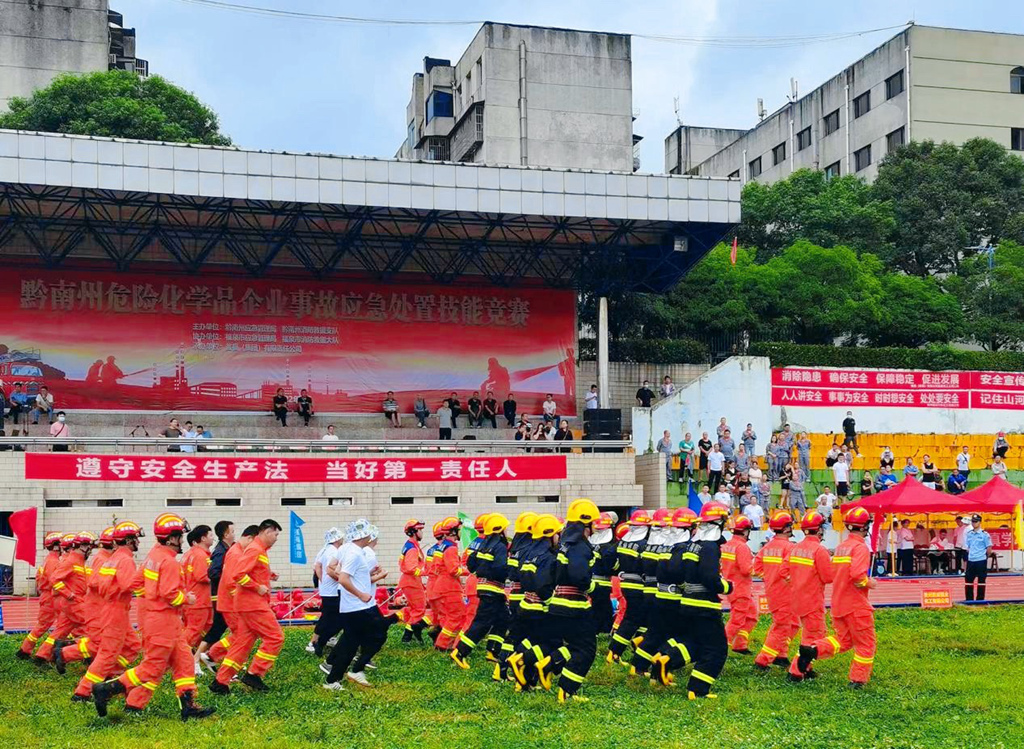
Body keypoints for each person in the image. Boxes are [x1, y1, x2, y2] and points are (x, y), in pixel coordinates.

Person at [92, 513, 215, 721]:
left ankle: (188, 706)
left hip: (162, 621)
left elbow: (136, 584)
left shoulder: (153, 556)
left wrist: (150, 601)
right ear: (171, 538)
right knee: (152, 667)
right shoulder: (169, 562)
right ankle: (106, 689)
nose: (182, 540)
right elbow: (170, 594)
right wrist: (187, 599)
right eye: (179, 536)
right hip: (164, 622)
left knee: (184, 661)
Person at [653, 502, 732, 698]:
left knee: (696, 642)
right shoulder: (710, 547)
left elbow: (679, 572)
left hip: (687, 602)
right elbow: (709, 578)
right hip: (705, 606)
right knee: (717, 649)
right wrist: (726, 586)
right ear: (719, 523)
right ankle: (698, 689)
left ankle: (666, 657)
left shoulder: (692, 544)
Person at [795, 506, 877, 688]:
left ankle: (813, 649)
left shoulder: (841, 547)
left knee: (844, 640)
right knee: (866, 643)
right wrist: (869, 582)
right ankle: (857, 679)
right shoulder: (860, 548)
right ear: (865, 527)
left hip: (839, 604)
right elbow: (857, 576)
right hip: (856, 605)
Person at [69, 521, 144, 701]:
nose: (138, 543)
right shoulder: (125, 560)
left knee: (133, 645)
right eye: (136, 539)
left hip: (112, 609)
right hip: (115, 611)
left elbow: (103, 585)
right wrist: (144, 579)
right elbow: (127, 585)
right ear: (128, 540)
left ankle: (113, 675)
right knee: (107, 654)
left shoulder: (113, 559)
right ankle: (83, 691)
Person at [210, 518, 285, 694]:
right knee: (275, 637)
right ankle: (254, 673)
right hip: (253, 604)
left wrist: (267, 576)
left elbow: (252, 572)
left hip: (247, 604)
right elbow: (238, 574)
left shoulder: (258, 550)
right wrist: (257, 587)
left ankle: (221, 682)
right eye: (276, 534)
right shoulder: (255, 549)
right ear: (267, 531)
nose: (276, 538)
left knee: (242, 644)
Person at [323, 520, 390, 690]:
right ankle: (356, 669)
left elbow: (332, 567)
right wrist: (362, 594)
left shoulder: (346, 548)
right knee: (379, 634)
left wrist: (362, 574)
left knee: (350, 642)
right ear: (364, 535)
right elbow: (344, 579)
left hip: (351, 606)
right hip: (360, 605)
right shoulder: (355, 553)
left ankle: (333, 679)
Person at [508, 514, 561, 691]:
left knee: (532, 640)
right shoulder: (548, 557)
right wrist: (550, 602)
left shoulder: (530, 552)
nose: (558, 538)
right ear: (549, 534)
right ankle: (521, 659)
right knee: (552, 643)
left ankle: (523, 681)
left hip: (526, 604)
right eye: (557, 534)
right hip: (540, 607)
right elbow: (543, 584)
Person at [451, 513, 511, 673]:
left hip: (486, 588)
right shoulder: (499, 547)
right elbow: (500, 568)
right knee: (482, 623)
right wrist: (510, 571)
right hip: (493, 589)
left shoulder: (483, 545)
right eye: (505, 528)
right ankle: (460, 652)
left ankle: (493, 650)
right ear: (500, 530)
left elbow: (471, 564)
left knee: (503, 619)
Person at [786, 511, 835, 681]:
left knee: (809, 633)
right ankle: (797, 670)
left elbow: (785, 571)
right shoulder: (819, 551)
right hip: (813, 599)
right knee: (813, 636)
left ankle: (805, 667)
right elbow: (828, 577)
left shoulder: (795, 548)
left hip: (797, 598)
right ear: (819, 529)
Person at [605, 509, 650, 665]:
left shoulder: (623, 542)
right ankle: (615, 652)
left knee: (641, 617)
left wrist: (616, 568)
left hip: (625, 583)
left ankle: (638, 645)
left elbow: (609, 555)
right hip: (640, 584)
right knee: (633, 619)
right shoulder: (645, 544)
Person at [754, 511, 796, 671]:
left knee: (791, 624)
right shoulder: (790, 547)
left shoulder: (767, 547)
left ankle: (781, 654)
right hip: (786, 593)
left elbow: (757, 568)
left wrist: (769, 576)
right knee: (781, 626)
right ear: (786, 529)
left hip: (773, 591)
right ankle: (763, 660)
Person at [17, 532, 64, 660]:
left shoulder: (49, 559)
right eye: (61, 544)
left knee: (48, 625)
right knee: (46, 625)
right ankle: (28, 651)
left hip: (48, 596)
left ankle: (27, 650)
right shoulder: (53, 562)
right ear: (56, 546)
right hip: (51, 597)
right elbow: (54, 581)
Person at [196, 520, 234, 669]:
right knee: (222, 627)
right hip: (219, 595)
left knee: (219, 628)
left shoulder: (226, 549)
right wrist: (229, 575)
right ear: (225, 534)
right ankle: (202, 657)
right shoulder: (220, 551)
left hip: (222, 595)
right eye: (232, 532)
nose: (234, 534)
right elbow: (213, 572)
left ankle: (201, 657)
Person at [722, 515, 757, 653]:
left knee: (751, 615)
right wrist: (759, 569)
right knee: (737, 621)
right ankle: (721, 646)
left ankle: (740, 644)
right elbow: (746, 569)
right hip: (741, 588)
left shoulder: (727, 545)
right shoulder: (742, 547)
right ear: (745, 531)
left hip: (732, 587)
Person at [432, 517, 467, 652]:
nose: (461, 532)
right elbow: (453, 570)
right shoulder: (451, 547)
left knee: (451, 617)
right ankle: (442, 644)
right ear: (453, 531)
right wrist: (468, 570)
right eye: (459, 530)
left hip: (442, 585)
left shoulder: (442, 546)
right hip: (450, 587)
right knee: (456, 616)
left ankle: (444, 643)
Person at [309, 528, 345, 655]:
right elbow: (330, 570)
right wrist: (343, 580)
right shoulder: (333, 551)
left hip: (327, 589)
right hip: (333, 590)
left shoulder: (324, 549)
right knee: (330, 618)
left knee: (328, 617)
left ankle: (323, 639)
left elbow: (317, 566)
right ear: (337, 539)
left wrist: (322, 581)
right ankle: (315, 642)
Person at [181, 525, 215, 659]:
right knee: (194, 630)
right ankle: (180, 655)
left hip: (195, 598)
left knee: (206, 628)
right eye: (210, 535)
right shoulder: (200, 555)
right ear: (203, 538)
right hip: (198, 600)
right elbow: (202, 576)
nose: (213, 538)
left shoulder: (190, 554)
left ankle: (199, 655)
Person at [397, 520, 429, 644]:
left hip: (409, 582)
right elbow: (411, 568)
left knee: (414, 609)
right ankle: (407, 637)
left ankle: (410, 636)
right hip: (411, 583)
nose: (422, 533)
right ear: (414, 532)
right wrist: (426, 572)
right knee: (419, 609)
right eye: (420, 530)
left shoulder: (410, 545)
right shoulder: (412, 548)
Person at [588, 513, 618, 636]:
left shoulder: (591, 543)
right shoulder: (606, 546)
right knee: (603, 608)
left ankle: (596, 630)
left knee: (595, 606)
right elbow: (610, 566)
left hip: (591, 580)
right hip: (603, 581)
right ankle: (604, 630)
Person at [964, 514, 992, 602]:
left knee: (981, 580)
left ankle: (980, 599)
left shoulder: (984, 534)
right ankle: (969, 599)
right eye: (973, 521)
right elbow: (968, 547)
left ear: (980, 522)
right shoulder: (969, 534)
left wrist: (985, 556)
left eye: (976, 522)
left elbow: (989, 548)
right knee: (968, 580)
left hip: (981, 560)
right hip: (971, 560)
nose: (974, 523)